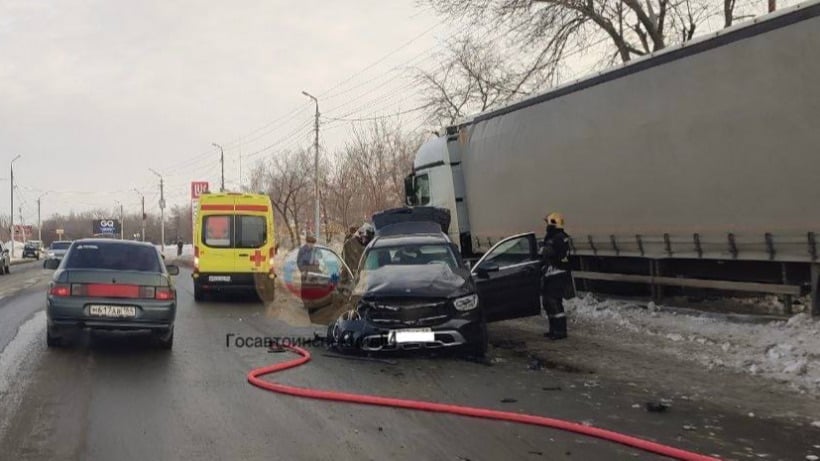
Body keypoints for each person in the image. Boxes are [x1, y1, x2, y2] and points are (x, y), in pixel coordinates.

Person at [540, 212, 572, 340]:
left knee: (554, 302)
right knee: (549, 302)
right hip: (555, 274)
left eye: (547, 222)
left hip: (556, 275)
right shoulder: (560, 236)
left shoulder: (555, 238)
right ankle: (554, 329)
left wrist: (542, 250)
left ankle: (560, 331)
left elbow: (548, 253)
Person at [297, 235, 320, 301]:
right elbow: (299, 262)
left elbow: (319, 259)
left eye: (313, 243)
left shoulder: (315, 250)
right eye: (310, 243)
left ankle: (312, 299)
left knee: (314, 285)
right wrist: (302, 271)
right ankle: (305, 300)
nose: (312, 245)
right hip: (305, 269)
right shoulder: (302, 250)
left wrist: (317, 263)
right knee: (305, 286)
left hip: (314, 269)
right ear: (307, 242)